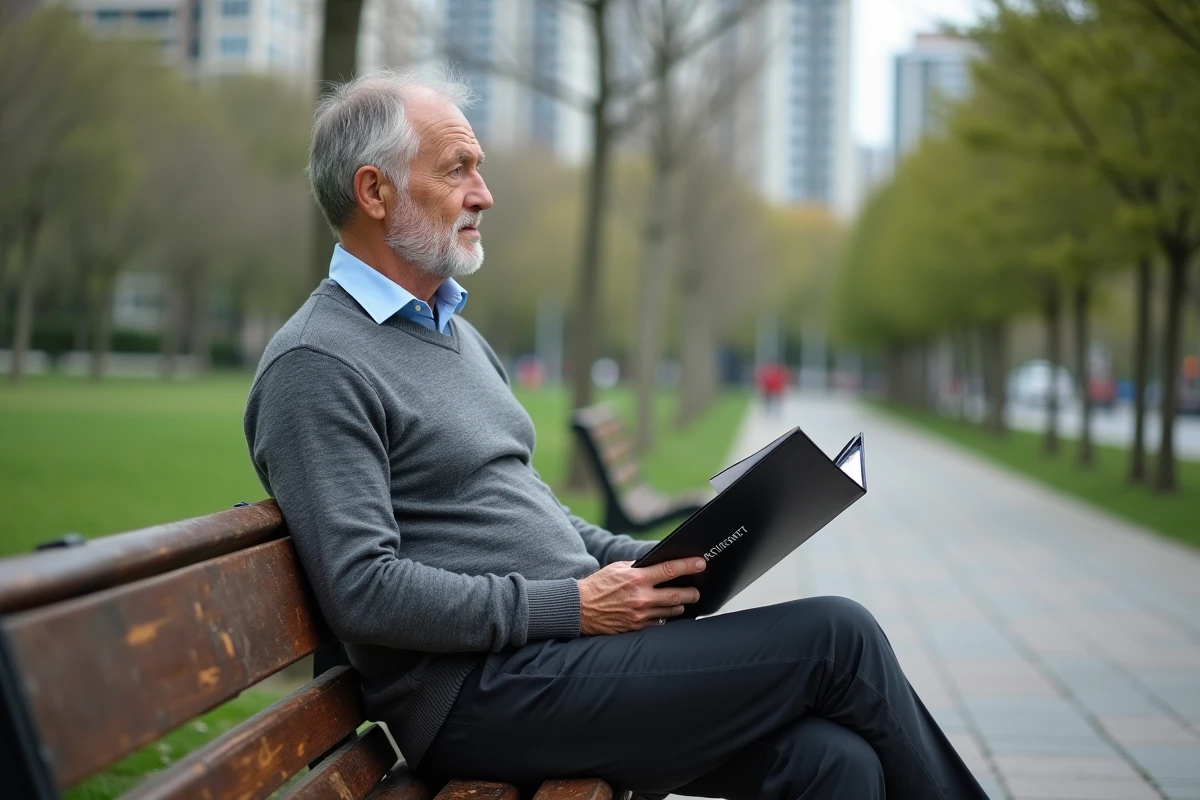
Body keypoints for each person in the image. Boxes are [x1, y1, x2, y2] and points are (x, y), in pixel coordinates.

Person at [243, 70, 988, 800]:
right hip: (481, 695)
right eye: (458, 169)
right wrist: (574, 605)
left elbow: (528, 509)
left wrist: (660, 563)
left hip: (562, 661)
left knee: (832, 761)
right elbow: (364, 591)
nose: (484, 194)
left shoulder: (457, 337)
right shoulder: (317, 363)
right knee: (839, 636)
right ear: (375, 192)